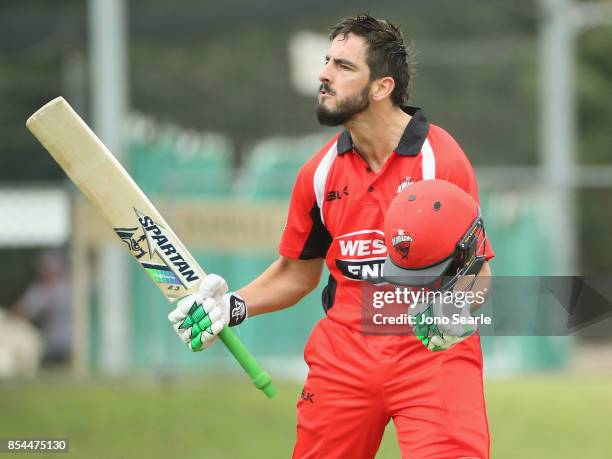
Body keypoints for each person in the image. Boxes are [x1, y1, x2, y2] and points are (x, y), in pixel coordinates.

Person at [168, 14, 495, 458]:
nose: (323, 74)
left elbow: (478, 273)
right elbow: (296, 275)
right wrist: (231, 306)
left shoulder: (442, 160)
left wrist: (451, 309)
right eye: (327, 61)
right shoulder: (318, 174)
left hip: (431, 354)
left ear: (381, 87)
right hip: (344, 360)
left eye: (343, 66)